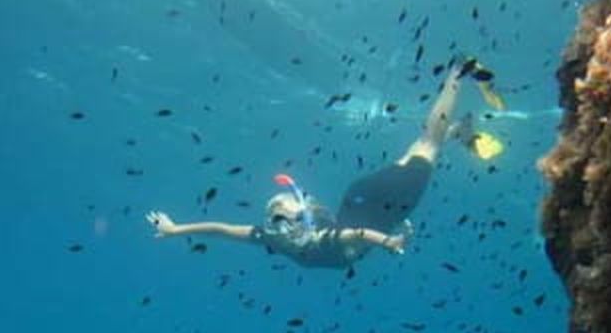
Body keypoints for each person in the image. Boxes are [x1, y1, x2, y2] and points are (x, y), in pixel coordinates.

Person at [146, 64, 484, 269]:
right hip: (360, 199)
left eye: (278, 214)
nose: (274, 223)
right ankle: (455, 131)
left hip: (381, 208)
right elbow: (221, 229)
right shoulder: (279, 237)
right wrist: (177, 230)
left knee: (427, 143)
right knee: (422, 146)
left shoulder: (302, 241)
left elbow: (356, 235)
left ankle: (456, 75)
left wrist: (388, 242)